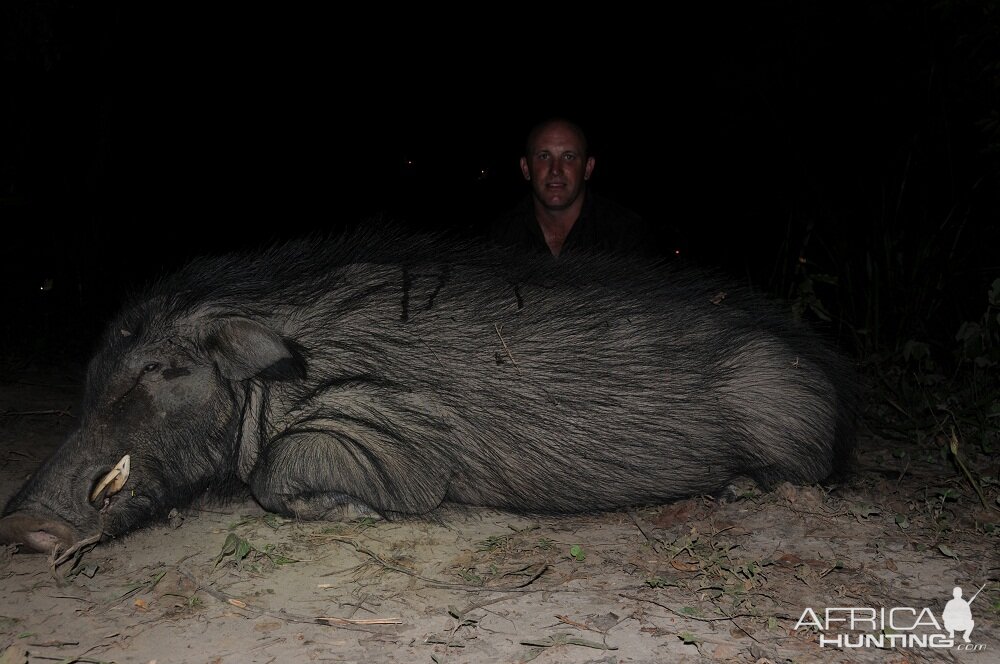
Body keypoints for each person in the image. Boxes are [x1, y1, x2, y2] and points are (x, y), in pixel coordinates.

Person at [489, 117, 651, 258]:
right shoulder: (497, 239)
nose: (555, 169)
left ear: (588, 168)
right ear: (525, 168)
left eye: (568, 157)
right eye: (544, 156)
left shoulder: (626, 234)